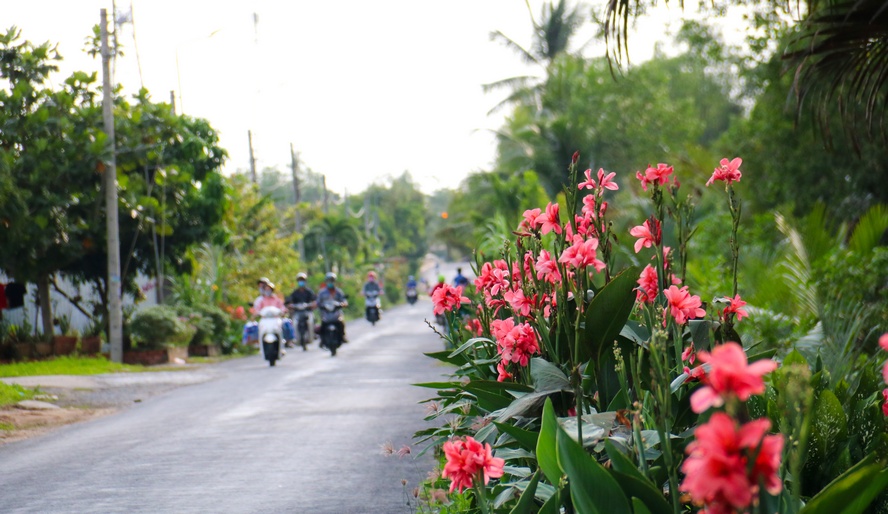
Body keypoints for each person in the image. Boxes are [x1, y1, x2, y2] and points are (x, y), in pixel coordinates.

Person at [316, 272, 348, 344]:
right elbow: (318, 302)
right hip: (326, 313)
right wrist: (318, 305)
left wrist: (344, 304)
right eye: (329, 281)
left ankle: (343, 336)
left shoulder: (339, 292)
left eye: (332, 281)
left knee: (341, 323)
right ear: (326, 282)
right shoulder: (322, 292)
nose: (330, 282)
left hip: (336, 312)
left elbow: (344, 300)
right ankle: (322, 339)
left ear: (334, 281)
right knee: (322, 324)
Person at [285, 272, 317, 343]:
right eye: (299, 280)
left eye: (302, 280)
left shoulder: (309, 292)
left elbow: (314, 300)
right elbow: (289, 301)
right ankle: (295, 338)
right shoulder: (295, 292)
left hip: (307, 311)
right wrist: (290, 305)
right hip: (297, 312)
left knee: (311, 321)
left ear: (305, 281)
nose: (301, 282)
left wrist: (313, 304)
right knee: (294, 322)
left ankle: (312, 335)